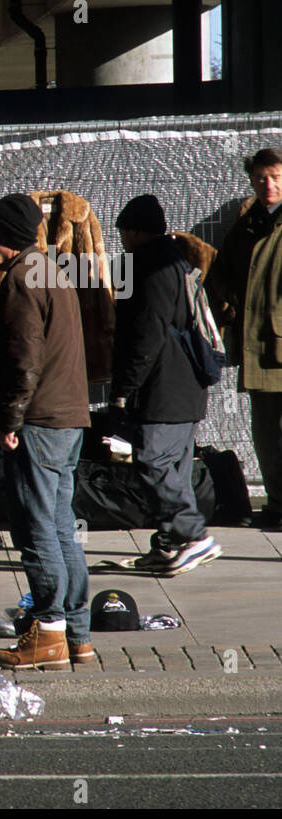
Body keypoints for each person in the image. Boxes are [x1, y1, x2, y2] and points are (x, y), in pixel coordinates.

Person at [0, 194, 92, 671]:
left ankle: (48, 633)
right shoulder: (51, 272)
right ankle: (76, 634)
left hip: (39, 421)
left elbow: (23, 358)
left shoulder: (23, 278)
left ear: (2, 238)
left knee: (37, 527)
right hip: (68, 417)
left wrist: (9, 420)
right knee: (61, 526)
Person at [111, 194, 221, 575]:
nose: (121, 239)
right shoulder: (175, 260)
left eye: (123, 231)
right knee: (174, 467)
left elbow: (144, 334)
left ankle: (193, 535)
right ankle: (170, 543)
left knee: (152, 460)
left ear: (133, 231)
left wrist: (124, 388)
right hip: (186, 385)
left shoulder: (149, 265)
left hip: (165, 388)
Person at [207, 148, 282, 530]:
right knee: (266, 433)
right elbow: (219, 273)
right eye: (260, 178)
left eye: (275, 177)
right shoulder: (248, 224)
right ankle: (277, 503)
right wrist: (231, 309)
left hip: (277, 341)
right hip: (259, 346)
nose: (268, 185)